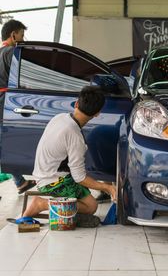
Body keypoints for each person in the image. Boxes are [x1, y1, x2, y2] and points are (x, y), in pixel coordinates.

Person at [23, 86, 116, 227]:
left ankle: (69, 212)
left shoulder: (60, 117)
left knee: (87, 194)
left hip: (44, 173)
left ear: (76, 104)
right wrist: (107, 188)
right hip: (52, 182)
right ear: (97, 113)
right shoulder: (74, 136)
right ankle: (41, 203)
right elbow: (79, 177)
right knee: (91, 206)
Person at [0, 19, 36, 194]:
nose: (23, 39)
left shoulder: (0, 52)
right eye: (22, 35)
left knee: (3, 147)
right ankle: (20, 181)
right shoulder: (12, 53)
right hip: (5, 107)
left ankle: (20, 182)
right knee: (4, 148)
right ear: (13, 35)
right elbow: (25, 79)